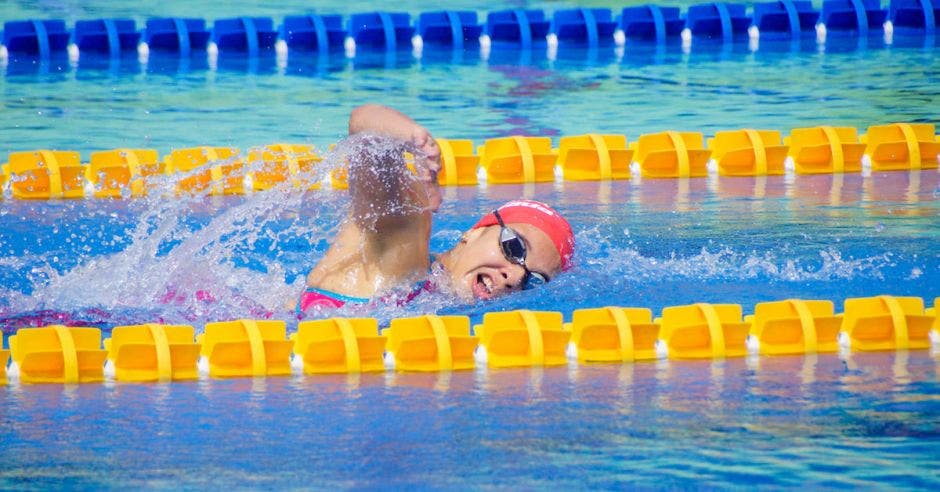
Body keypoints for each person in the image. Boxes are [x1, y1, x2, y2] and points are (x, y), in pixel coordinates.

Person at [298, 104, 574, 312]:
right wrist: (415, 139)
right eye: (514, 247)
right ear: (473, 233)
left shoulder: (438, 298)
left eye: (534, 280)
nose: (514, 277)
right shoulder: (403, 245)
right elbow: (364, 125)